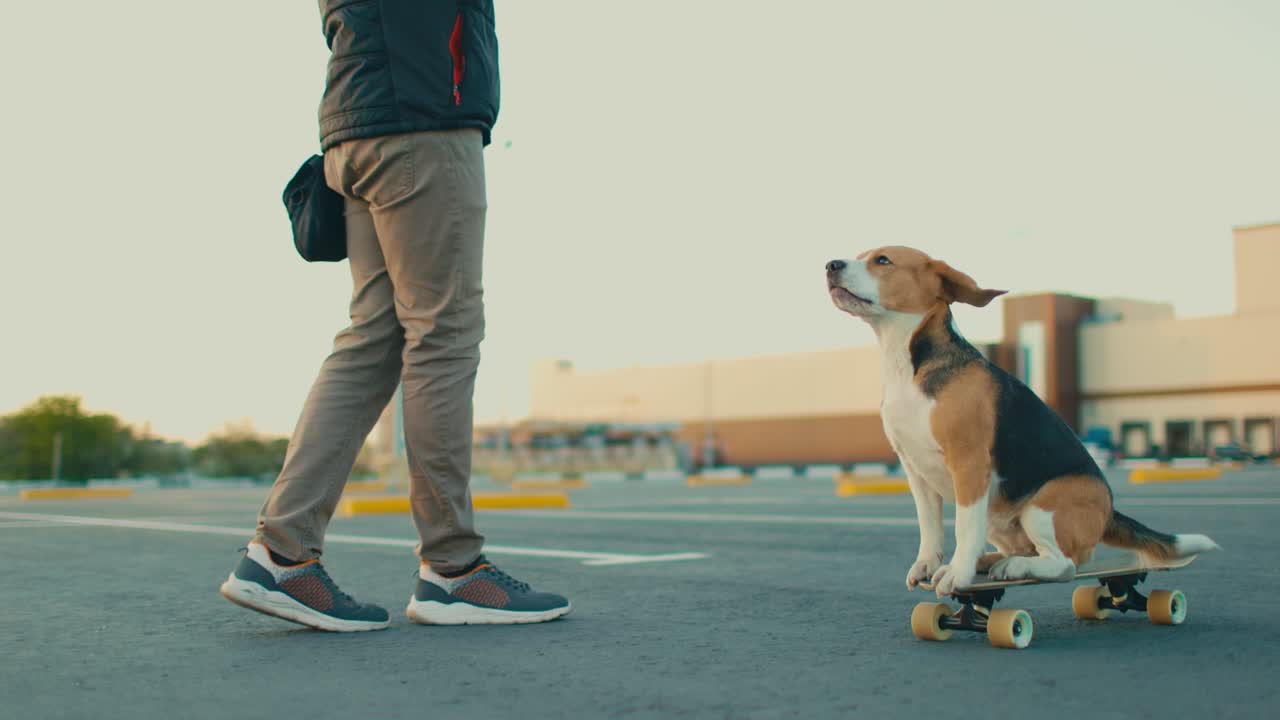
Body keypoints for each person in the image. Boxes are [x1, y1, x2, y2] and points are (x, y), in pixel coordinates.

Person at [218, 0, 571, 631]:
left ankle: (281, 554)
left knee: (374, 338)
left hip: (360, 124)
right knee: (444, 336)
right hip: (423, 116)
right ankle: (454, 569)